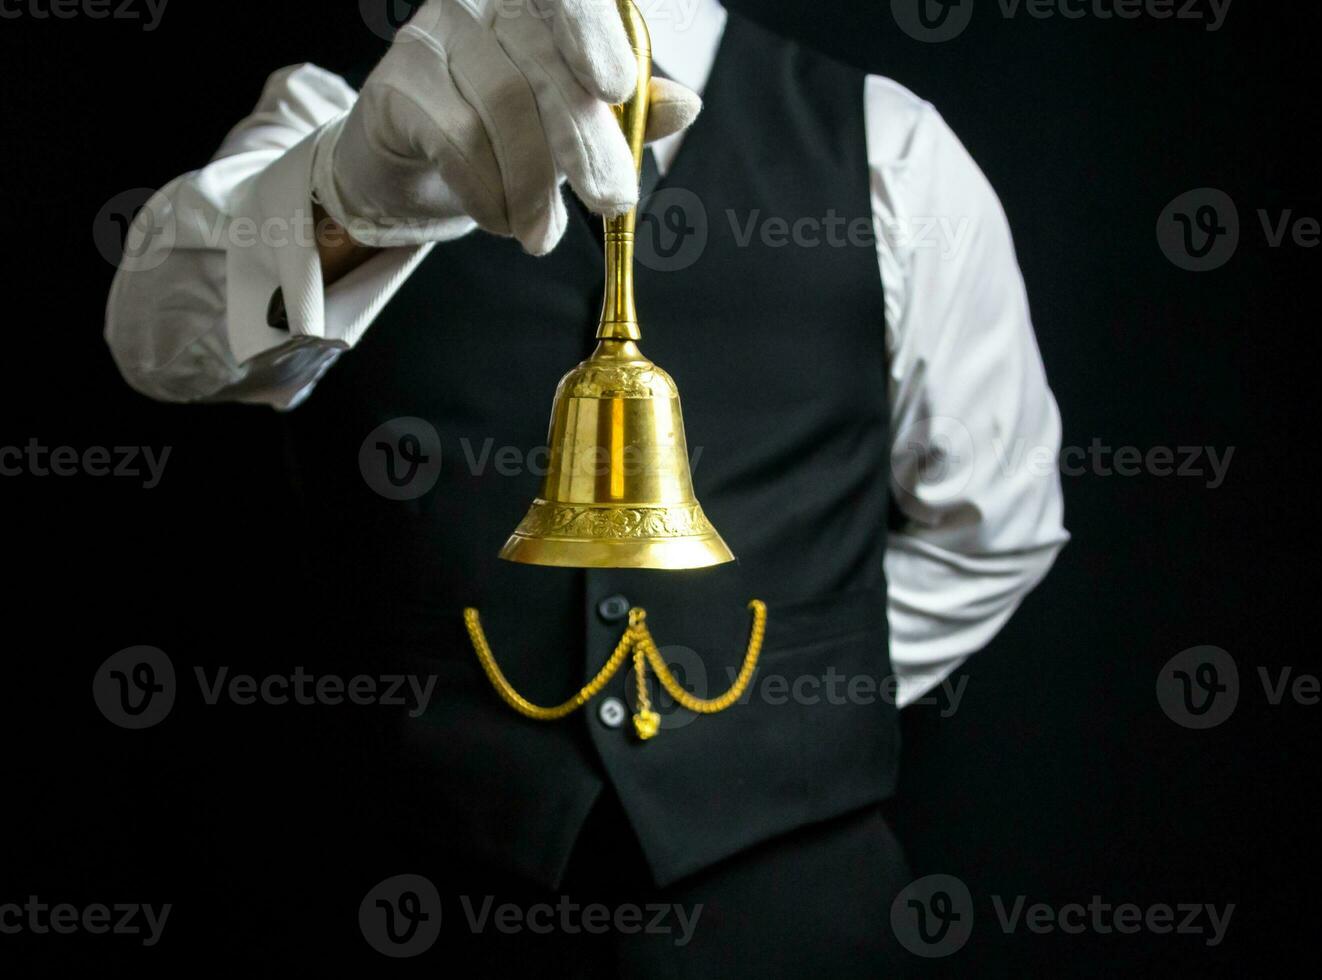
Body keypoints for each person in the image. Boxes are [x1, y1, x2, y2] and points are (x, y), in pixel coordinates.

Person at [104, 0, 1067, 971]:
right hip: (407, 906)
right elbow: (154, 338)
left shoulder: (888, 147)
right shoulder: (336, 113)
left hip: (793, 923)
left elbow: (998, 521)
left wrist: (802, 699)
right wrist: (351, 195)